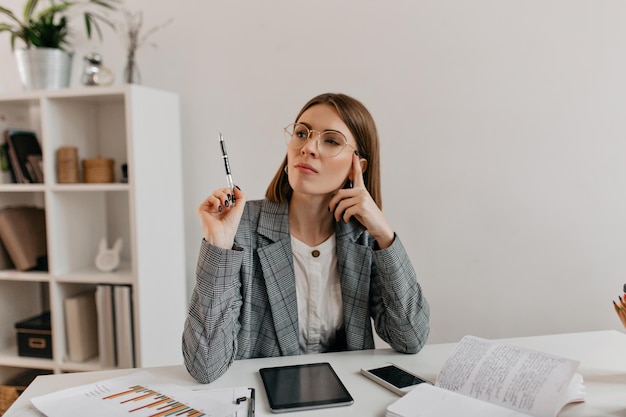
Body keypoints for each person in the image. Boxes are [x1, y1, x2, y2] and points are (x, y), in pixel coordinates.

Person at [182, 93, 430, 384]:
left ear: (358, 166)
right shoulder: (241, 228)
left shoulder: (363, 238)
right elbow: (205, 365)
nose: (308, 147)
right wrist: (219, 245)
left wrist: (384, 235)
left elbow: (411, 337)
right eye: (302, 133)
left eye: (331, 140)